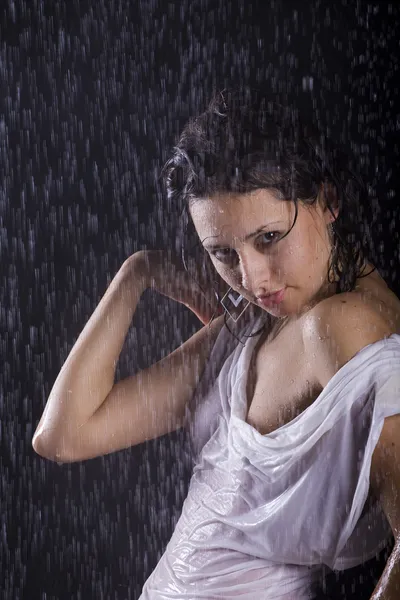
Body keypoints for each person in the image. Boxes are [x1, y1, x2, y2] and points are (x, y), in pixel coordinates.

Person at [32, 87, 400, 599]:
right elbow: (63, 435)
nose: (252, 278)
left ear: (329, 199)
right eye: (222, 252)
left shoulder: (341, 327)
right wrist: (139, 271)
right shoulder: (256, 322)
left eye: (269, 237)